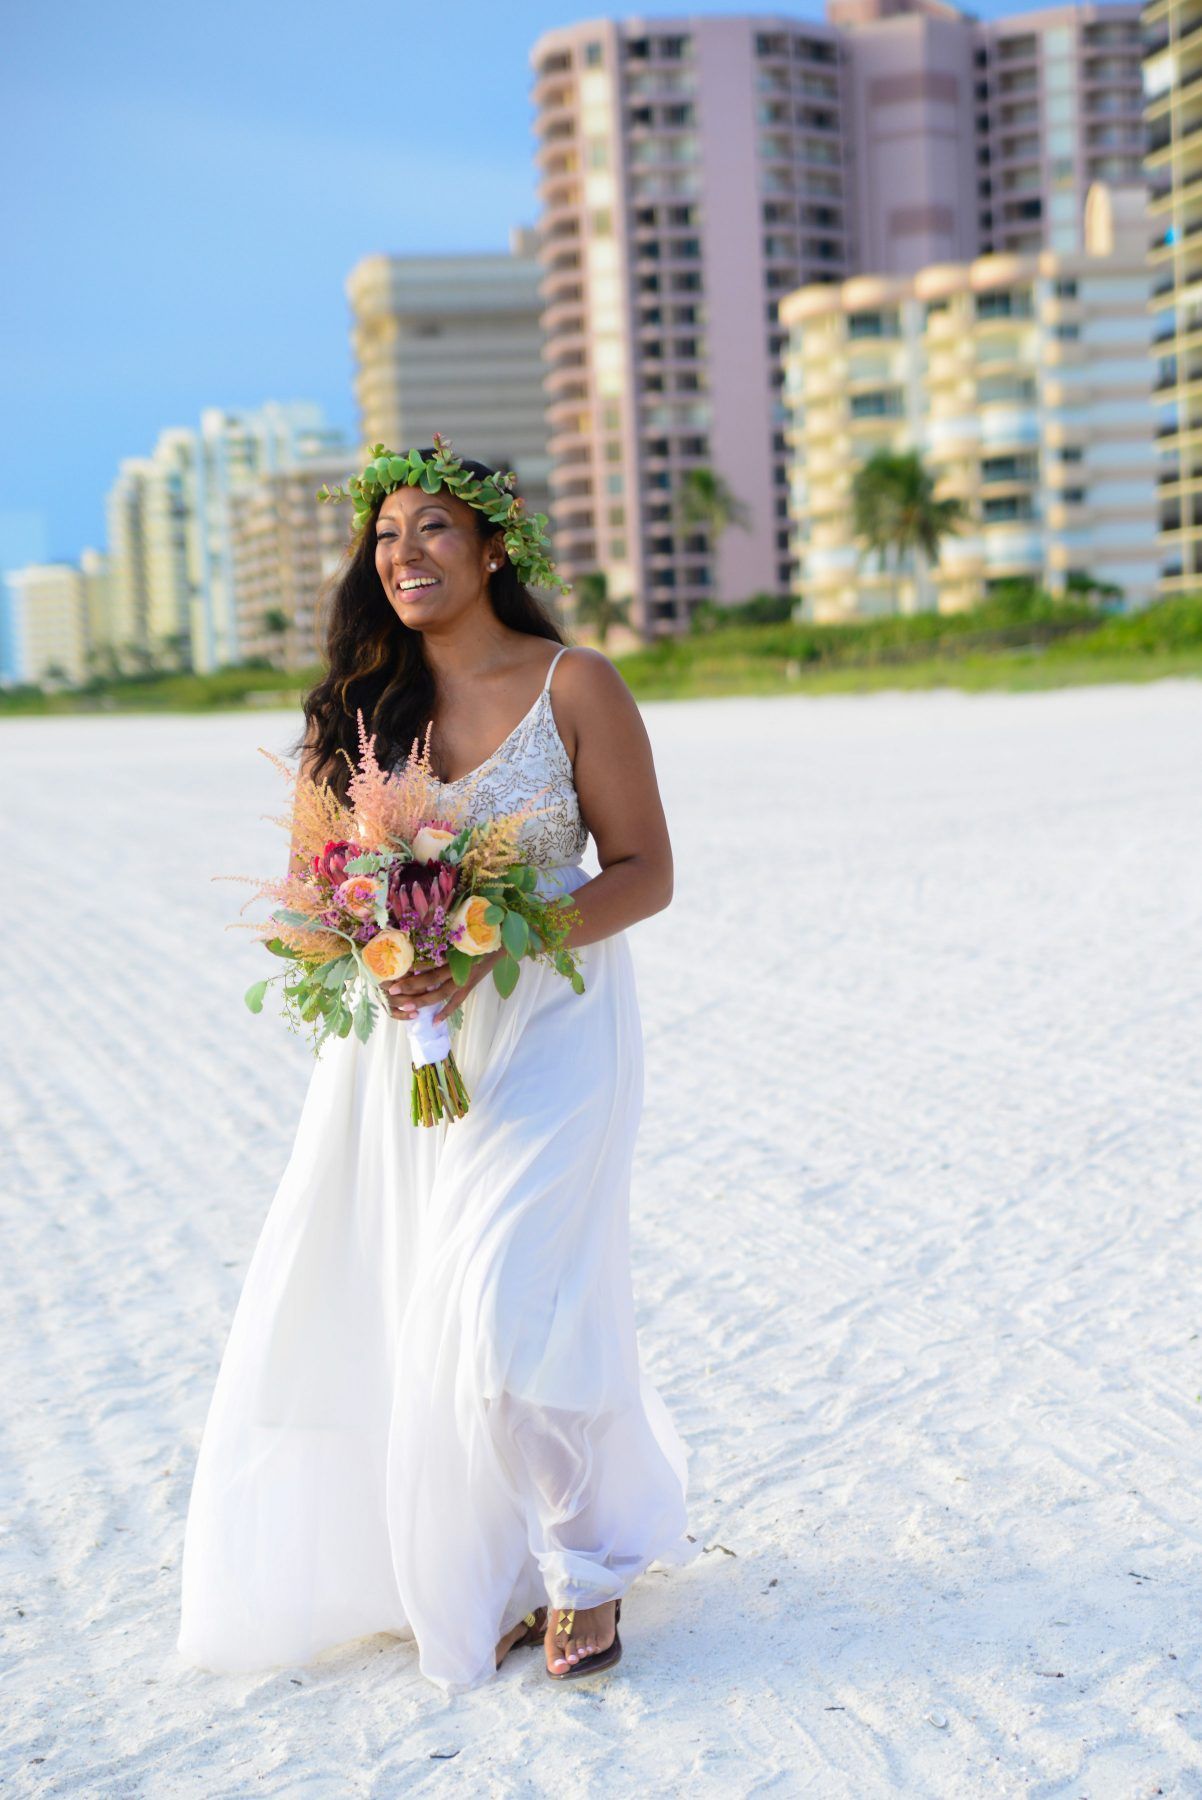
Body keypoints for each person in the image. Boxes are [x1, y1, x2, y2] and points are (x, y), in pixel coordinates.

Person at [177, 440, 697, 1691]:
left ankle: (587, 1574)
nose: (402, 555)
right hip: (404, 1046)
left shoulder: (576, 685)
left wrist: (491, 943)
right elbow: (311, 904)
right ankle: (504, 1567)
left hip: (557, 1021)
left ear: (492, 548)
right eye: (385, 536)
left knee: (515, 1297)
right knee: (425, 1310)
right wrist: (378, 950)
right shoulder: (355, 713)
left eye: (432, 531)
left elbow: (646, 872)